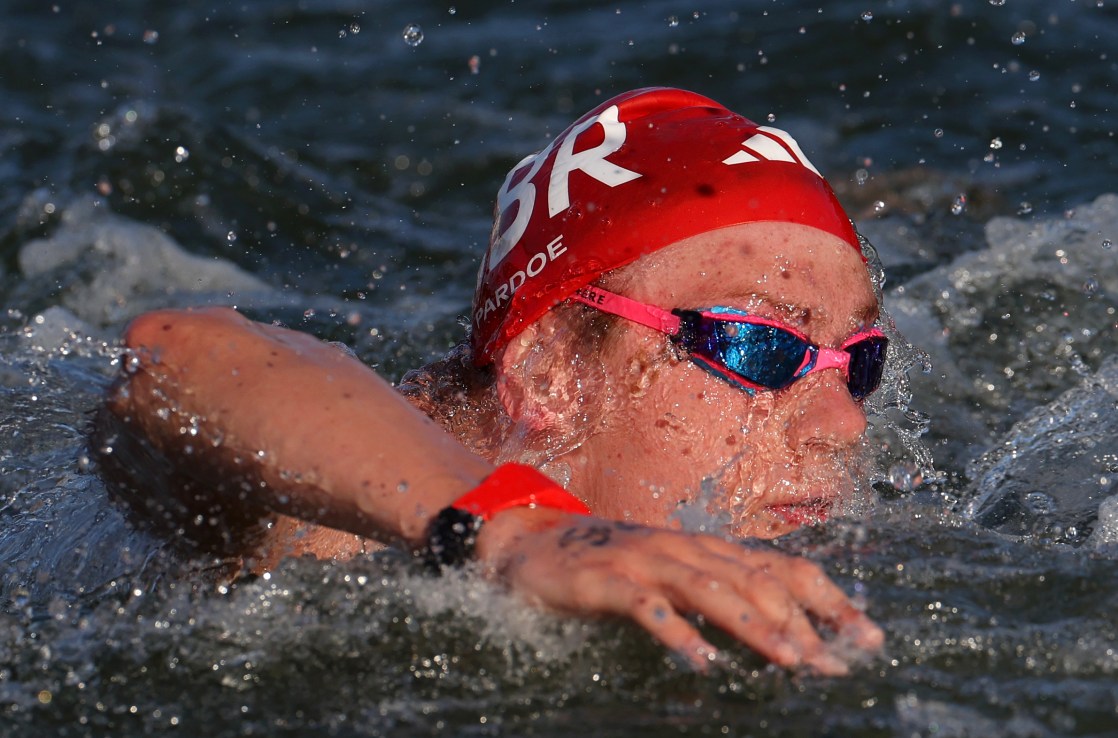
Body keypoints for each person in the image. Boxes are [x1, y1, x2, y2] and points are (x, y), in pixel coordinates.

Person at [95, 87, 887, 676]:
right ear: (551, 373)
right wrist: (515, 529)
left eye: (861, 360)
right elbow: (175, 356)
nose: (842, 422)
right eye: (759, 346)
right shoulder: (338, 534)